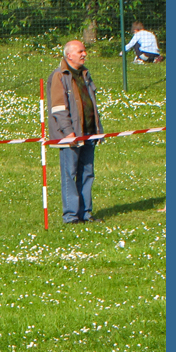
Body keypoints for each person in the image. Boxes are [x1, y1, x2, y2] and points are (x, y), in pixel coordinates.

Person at [47, 40, 103, 225]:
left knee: (87, 173)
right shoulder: (59, 76)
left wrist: (98, 130)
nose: (84, 54)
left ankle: (86, 213)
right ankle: (71, 216)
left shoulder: (85, 74)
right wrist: (68, 132)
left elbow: (92, 105)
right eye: (80, 51)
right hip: (71, 136)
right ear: (68, 55)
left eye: (84, 51)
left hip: (88, 134)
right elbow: (59, 108)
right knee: (69, 174)